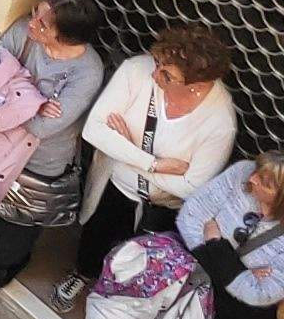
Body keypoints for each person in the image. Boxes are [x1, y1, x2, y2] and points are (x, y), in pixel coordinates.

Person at [71, 23, 240, 304]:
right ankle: (82, 275)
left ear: (197, 87)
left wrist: (125, 149)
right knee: (94, 238)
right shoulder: (136, 71)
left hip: (160, 206)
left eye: (167, 74)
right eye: (158, 62)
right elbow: (94, 131)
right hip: (116, 186)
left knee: (138, 263)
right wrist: (153, 163)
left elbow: (191, 186)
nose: (154, 73)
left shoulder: (219, 123)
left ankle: (114, 302)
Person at [0, 0, 110, 290]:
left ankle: (9, 260)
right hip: (1, 147)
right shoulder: (24, 34)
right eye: (35, 14)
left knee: (22, 218)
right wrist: (34, 100)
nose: (31, 24)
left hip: (42, 158)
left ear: (64, 36)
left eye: (42, 23)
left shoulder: (88, 72)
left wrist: (9, 89)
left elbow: (42, 129)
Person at [174, 152, 284, 319]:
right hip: (187, 277)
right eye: (258, 173)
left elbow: (259, 293)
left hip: (232, 313)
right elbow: (189, 217)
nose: (253, 179)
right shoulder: (242, 172)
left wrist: (215, 243)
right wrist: (238, 272)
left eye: (265, 183)